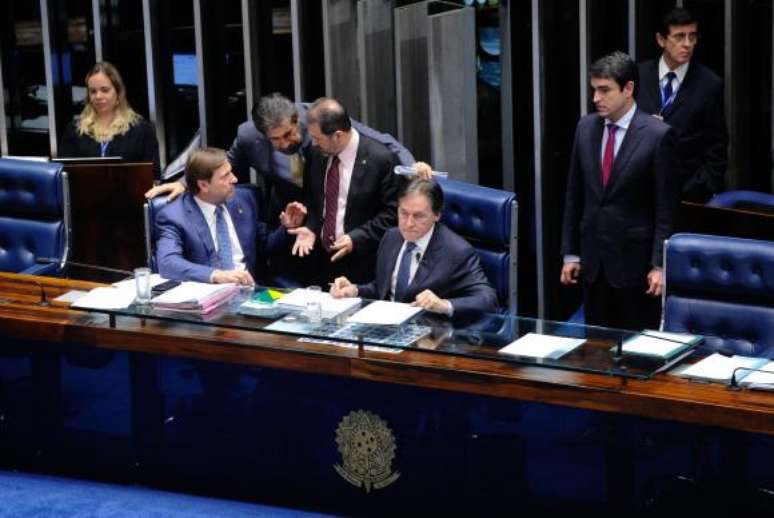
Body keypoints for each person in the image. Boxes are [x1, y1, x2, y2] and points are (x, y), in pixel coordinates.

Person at [560, 51, 680, 331]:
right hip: (593, 264)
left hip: (636, 268)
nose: (596, 99)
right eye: (594, 90)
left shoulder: (657, 136)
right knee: (595, 350)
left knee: (636, 354)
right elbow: (574, 195)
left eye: (604, 90)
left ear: (628, 89)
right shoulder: (585, 127)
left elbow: (666, 209)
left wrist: (660, 265)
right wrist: (571, 254)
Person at [145, 92, 429, 206]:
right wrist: (185, 184)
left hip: (334, 208)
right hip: (289, 215)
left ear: (297, 120)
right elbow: (226, 166)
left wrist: (412, 165)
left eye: (289, 133)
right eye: (276, 139)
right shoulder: (248, 137)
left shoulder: (316, 119)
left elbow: (380, 139)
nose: (286, 142)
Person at [330, 178, 497, 316]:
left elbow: (487, 298)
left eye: (418, 216)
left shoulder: (457, 251)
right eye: (403, 213)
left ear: (437, 215)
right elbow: (384, 289)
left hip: (430, 337)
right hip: (388, 330)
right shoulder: (391, 237)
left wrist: (444, 305)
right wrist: (354, 290)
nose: (408, 224)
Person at [290, 97, 406, 285]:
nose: (313, 143)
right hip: (321, 262)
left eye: (318, 138)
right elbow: (312, 200)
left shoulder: (381, 160)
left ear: (337, 135)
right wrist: (311, 227)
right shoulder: (315, 155)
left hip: (364, 264)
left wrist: (357, 238)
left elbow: (393, 213)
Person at [155, 147, 310, 284]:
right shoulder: (174, 216)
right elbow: (168, 263)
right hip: (206, 300)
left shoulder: (243, 201)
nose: (234, 179)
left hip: (251, 292)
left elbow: (265, 244)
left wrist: (287, 228)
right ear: (203, 185)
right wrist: (216, 275)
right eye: (225, 176)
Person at [636, 7, 728, 203]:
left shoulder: (709, 84)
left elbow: (717, 148)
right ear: (661, 40)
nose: (687, 44)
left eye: (692, 36)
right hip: (638, 192)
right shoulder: (638, 76)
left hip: (685, 195)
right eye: (679, 37)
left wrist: (696, 191)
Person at [59, 61, 161, 179]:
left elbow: (154, 175)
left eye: (105, 90)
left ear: (118, 93)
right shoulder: (74, 129)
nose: (98, 96)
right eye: (93, 91)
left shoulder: (141, 129)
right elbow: (63, 175)